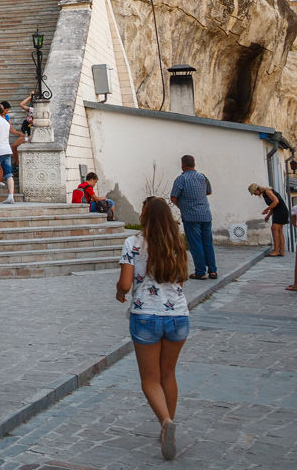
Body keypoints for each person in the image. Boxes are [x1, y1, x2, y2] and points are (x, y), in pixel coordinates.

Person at [116, 196, 190, 461]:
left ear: (145, 217)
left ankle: (166, 422)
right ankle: (167, 425)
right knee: (168, 374)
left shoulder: (133, 243)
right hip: (178, 316)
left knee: (150, 379)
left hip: (146, 314)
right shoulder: (177, 243)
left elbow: (125, 283)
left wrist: (118, 292)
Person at [169, 155, 216, 280]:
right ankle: (213, 270)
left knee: (196, 244)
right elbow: (209, 191)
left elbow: (173, 197)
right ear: (194, 164)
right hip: (206, 214)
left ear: (183, 165)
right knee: (207, 243)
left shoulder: (181, 179)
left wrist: (182, 206)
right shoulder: (202, 177)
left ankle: (200, 271)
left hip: (191, 216)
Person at [248, 183, 288, 257]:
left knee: (274, 229)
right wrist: (268, 215)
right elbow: (273, 205)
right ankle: (281, 251)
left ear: (257, 189)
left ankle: (276, 251)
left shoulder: (267, 191)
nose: (255, 195)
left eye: (254, 193)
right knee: (279, 231)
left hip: (280, 211)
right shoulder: (264, 194)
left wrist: (266, 209)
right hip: (279, 211)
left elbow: (276, 201)